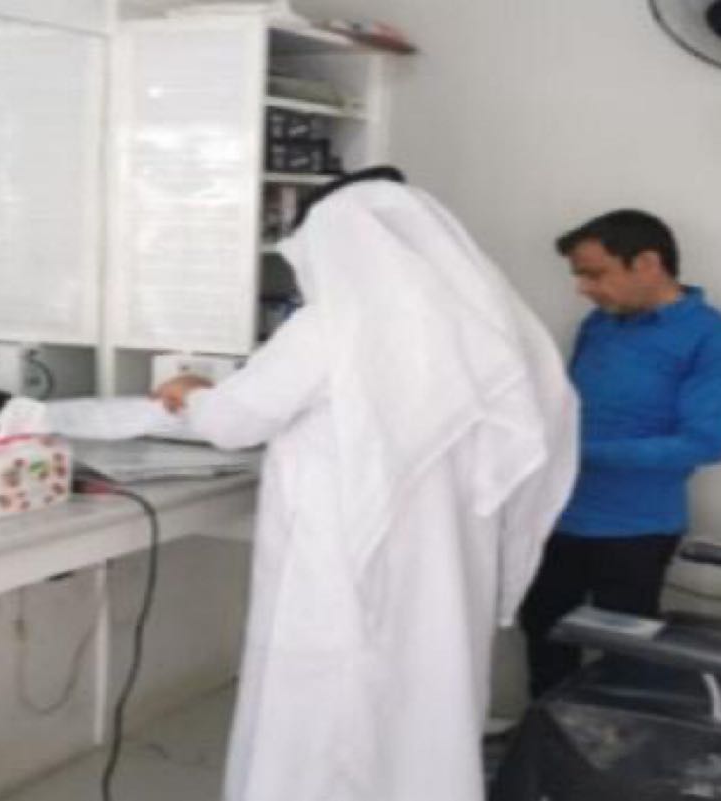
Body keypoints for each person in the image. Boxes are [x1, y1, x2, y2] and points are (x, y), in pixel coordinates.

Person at [146, 169, 579, 801]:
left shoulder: (331, 328)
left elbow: (233, 423)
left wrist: (191, 393)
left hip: (345, 564)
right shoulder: (482, 328)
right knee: (423, 703)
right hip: (445, 571)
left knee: (333, 710)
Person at [520, 208, 721, 699]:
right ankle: (543, 740)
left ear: (648, 263)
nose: (584, 288)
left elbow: (704, 444)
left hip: (633, 530)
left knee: (625, 660)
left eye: (595, 274)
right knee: (544, 635)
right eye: (580, 276)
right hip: (557, 515)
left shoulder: (718, 343)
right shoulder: (600, 324)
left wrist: (575, 450)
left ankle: (620, 748)